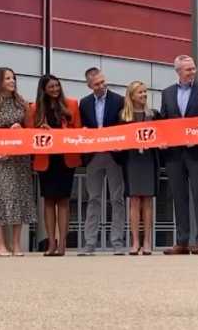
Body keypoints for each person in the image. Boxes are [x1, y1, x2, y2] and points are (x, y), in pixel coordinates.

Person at [159, 55, 198, 255]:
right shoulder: (166, 93)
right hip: (174, 154)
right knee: (179, 197)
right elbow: (163, 122)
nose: (192, 72)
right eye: (188, 69)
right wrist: (162, 141)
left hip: (197, 153)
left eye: (193, 68)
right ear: (178, 72)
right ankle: (182, 241)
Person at [0, 67, 36, 257]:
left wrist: (19, 128)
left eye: (13, 78)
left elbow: (30, 129)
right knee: (3, 196)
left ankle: (16, 243)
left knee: (19, 196)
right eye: (7, 78)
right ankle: (0, 242)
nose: (12, 81)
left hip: (20, 158)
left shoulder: (22, 102)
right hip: (0, 158)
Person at [31, 75, 81, 257]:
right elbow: (30, 133)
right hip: (46, 159)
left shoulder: (72, 105)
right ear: (44, 89)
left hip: (65, 158)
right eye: (51, 87)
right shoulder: (35, 108)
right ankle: (51, 242)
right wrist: (40, 129)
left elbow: (78, 131)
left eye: (57, 86)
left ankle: (63, 244)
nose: (55, 89)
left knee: (64, 201)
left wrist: (64, 131)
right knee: (49, 201)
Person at [79, 67, 126, 256]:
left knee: (117, 199)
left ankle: (117, 243)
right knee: (93, 199)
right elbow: (82, 127)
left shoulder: (119, 100)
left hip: (114, 155)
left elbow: (124, 125)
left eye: (103, 82)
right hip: (93, 156)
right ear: (89, 85)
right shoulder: (84, 103)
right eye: (97, 84)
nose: (101, 86)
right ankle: (90, 243)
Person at [117, 81, 161, 256]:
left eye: (145, 92)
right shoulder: (123, 116)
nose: (143, 95)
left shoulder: (154, 115)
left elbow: (163, 134)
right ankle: (135, 241)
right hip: (132, 160)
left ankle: (147, 241)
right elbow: (118, 137)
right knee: (134, 201)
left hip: (149, 160)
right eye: (140, 92)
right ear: (131, 96)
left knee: (148, 201)